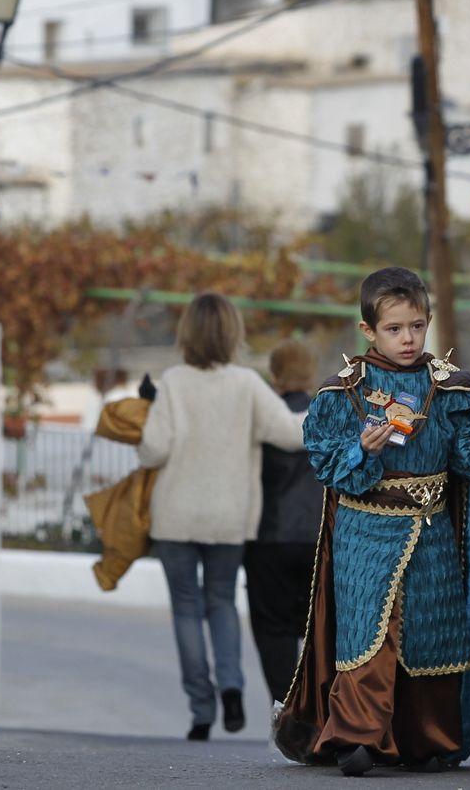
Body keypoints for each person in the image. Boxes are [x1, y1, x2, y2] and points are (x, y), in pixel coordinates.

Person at [274, 267, 470, 776]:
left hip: (433, 533)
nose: (408, 338)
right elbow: (326, 465)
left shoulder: (452, 389)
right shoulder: (342, 393)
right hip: (364, 534)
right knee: (368, 636)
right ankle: (358, 737)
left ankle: (428, 740)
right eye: (394, 328)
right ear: (368, 330)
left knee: (432, 634)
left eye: (417, 326)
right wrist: (360, 449)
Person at [136, 292, 306, 741]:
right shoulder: (247, 384)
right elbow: (292, 434)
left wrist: (147, 413)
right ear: (234, 333)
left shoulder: (173, 383)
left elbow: (153, 451)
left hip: (175, 516)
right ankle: (232, 687)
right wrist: (340, 408)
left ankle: (201, 709)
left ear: (186, 333)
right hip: (230, 518)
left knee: (186, 608)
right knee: (222, 602)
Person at [243, 339, 325, 707]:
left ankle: (286, 712)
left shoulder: (264, 422)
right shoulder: (329, 417)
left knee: (274, 631)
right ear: (311, 374)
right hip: (320, 540)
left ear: (274, 375)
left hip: (269, 539)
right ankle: (318, 711)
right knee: (321, 632)